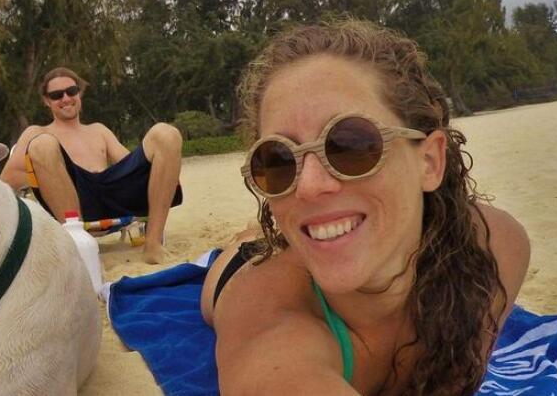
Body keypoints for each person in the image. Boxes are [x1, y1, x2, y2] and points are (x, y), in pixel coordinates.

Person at [200, 21, 530, 394]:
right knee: (248, 245)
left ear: (430, 163)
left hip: (320, 235)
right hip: (248, 267)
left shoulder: (495, 247)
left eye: (349, 145)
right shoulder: (265, 317)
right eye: (277, 161)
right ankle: (250, 236)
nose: (307, 186)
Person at [0, 67, 183, 264]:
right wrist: (52, 172)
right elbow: (8, 181)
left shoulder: (99, 130)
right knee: (42, 144)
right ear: (46, 101)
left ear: (79, 93)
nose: (66, 98)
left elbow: (132, 168)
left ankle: (153, 243)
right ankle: (79, 248)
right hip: (73, 199)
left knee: (166, 133)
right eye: (56, 95)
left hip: (113, 192)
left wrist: (164, 166)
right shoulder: (36, 132)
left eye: (71, 91)